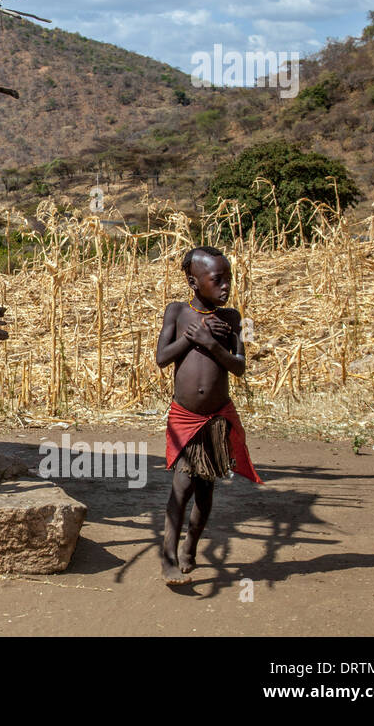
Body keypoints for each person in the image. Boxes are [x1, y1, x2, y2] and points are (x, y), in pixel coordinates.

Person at [154, 245, 262, 585]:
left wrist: (215, 345)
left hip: (216, 418)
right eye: (217, 280)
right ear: (193, 281)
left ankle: (189, 548)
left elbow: (240, 367)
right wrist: (194, 338)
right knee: (182, 486)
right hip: (186, 416)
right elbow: (161, 358)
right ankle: (168, 557)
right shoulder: (176, 312)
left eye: (228, 279)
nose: (226, 287)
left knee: (205, 490)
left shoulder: (234, 319)